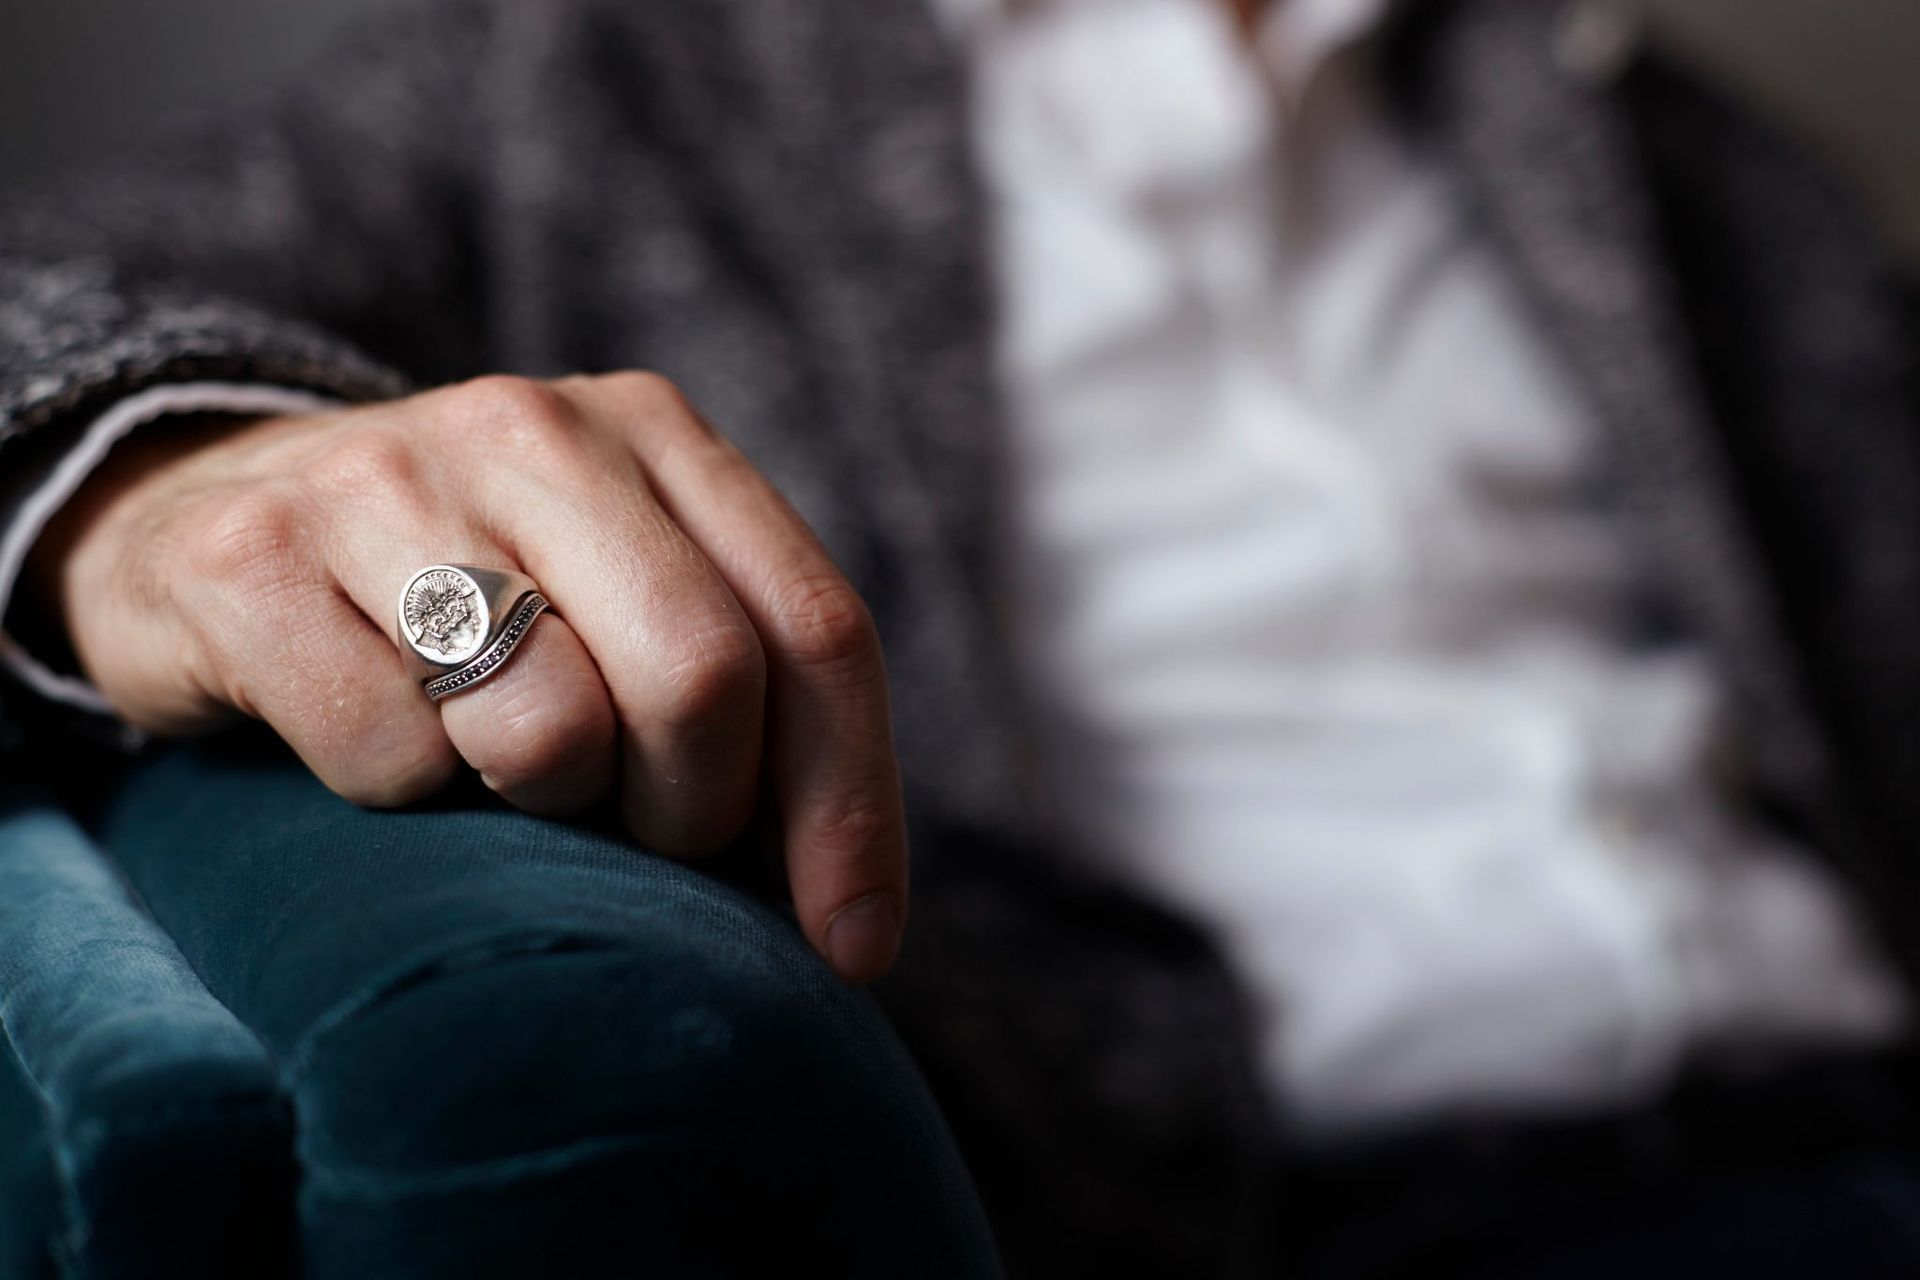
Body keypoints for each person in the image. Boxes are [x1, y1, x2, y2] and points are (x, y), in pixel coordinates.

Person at [2, 0, 1918, 1274]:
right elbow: (41, 295)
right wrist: (143, 485)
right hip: (1249, 1202)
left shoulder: (1656, 137)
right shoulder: (579, 78)